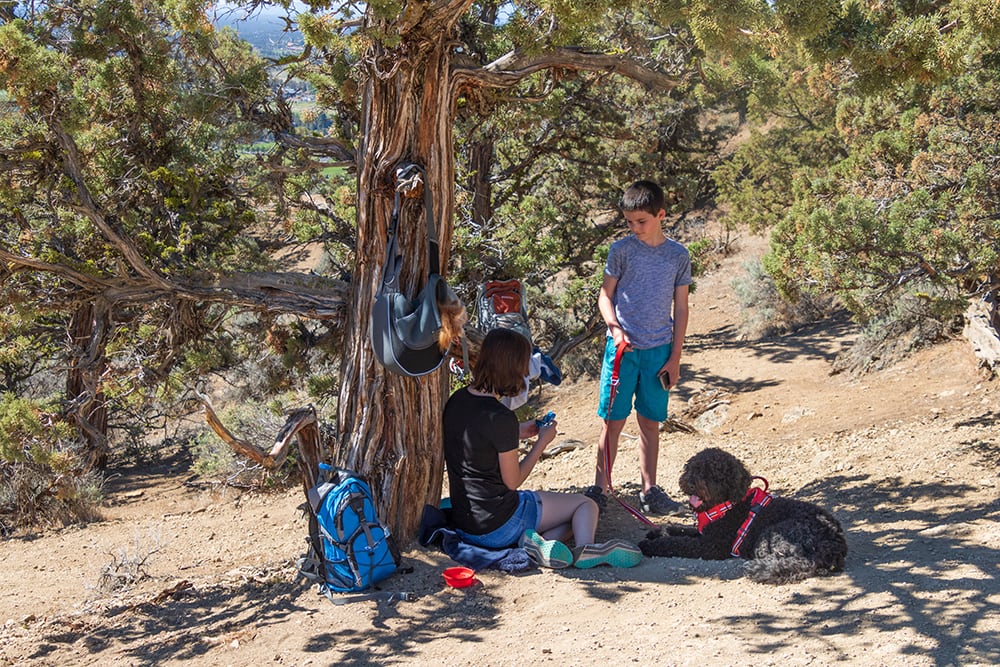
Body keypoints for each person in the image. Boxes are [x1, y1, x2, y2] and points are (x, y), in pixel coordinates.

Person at [443, 328, 642, 569]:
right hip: (500, 524)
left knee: (571, 517)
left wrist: (517, 429)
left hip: (467, 525)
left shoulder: (457, 401)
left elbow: (479, 435)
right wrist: (541, 443)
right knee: (586, 506)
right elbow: (512, 482)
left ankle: (540, 545)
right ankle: (586, 550)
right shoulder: (500, 417)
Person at [584, 180, 691, 517]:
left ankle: (651, 491)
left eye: (641, 221)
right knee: (612, 423)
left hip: (659, 352)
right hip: (622, 353)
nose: (634, 228)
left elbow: (682, 308)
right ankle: (599, 490)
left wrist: (675, 358)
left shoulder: (678, 255)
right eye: (629, 222)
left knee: (650, 423)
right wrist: (615, 330)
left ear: (661, 214)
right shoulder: (621, 251)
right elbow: (605, 296)